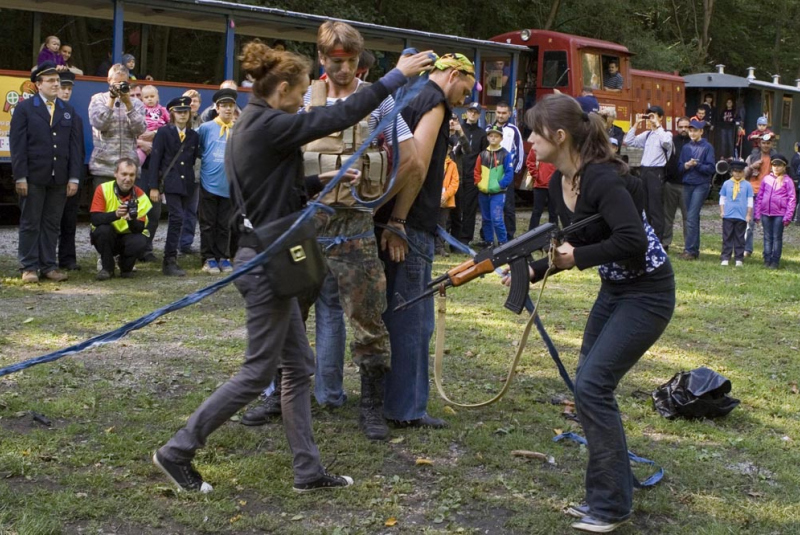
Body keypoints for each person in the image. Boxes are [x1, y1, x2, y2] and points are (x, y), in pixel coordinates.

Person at [151, 41, 433, 494]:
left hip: (267, 255)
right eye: (300, 94)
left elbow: (268, 190)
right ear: (282, 89)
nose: (304, 101)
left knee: (299, 365)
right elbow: (337, 117)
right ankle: (178, 450)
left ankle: (307, 471)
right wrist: (395, 77)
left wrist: (315, 182)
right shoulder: (270, 124)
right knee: (257, 372)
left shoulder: (256, 123)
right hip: (265, 264)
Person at [243, 22, 426, 442]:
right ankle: (277, 395)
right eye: (334, 60)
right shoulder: (303, 100)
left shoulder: (380, 105)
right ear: (321, 58)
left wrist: (377, 204)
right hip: (306, 227)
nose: (342, 69)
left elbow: (411, 161)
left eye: (349, 61)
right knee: (288, 313)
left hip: (355, 232)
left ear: (358, 59)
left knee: (368, 321)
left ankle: (370, 408)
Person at [518, 93, 674, 533]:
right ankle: (612, 489)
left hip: (649, 294)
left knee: (592, 386)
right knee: (588, 385)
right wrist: (531, 271)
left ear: (560, 136)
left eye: (535, 131)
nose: (529, 139)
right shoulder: (556, 184)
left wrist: (574, 259)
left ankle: (610, 506)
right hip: (615, 289)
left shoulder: (603, 179)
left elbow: (632, 241)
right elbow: (575, 243)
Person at [375, 52, 476, 429]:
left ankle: (392, 399)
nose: (466, 98)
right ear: (453, 75)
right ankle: (405, 409)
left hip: (391, 221)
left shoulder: (407, 94)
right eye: (467, 88)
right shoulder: (432, 101)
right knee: (413, 319)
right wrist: (398, 220)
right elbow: (414, 163)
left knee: (396, 314)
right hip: (408, 226)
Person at [10, 62, 82, 284]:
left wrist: (73, 177)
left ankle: (48, 265)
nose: (55, 84)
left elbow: (75, 148)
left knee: (52, 223)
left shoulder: (67, 111)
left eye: (57, 81)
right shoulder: (24, 108)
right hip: (33, 176)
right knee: (31, 221)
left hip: (59, 177)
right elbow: (18, 145)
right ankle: (29, 266)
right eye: (50, 81)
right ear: (38, 84)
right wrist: (20, 176)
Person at [145, 96, 200, 276]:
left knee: (181, 218)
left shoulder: (193, 136)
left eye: (186, 112)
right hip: (170, 182)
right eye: (179, 112)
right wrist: (154, 186)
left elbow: (191, 160)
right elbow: (156, 160)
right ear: (172, 114)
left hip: (186, 183)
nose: (183, 115)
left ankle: (172, 257)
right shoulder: (164, 133)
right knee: (176, 217)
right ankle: (169, 260)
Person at [90, 158, 152, 280]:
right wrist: (116, 214)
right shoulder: (103, 189)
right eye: (124, 174)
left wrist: (131, 219)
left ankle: (125, 266)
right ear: (115, 174)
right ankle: (107, 268)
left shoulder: (142, 196)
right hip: (108, 236)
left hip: (129, 237)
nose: (127, 179)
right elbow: (95, 219)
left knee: (140, 240)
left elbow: (139, 229)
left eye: (131, 175)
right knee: (103, 230)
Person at [196, 88, 237, 273]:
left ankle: (223, 256)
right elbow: (197, 148)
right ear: (217, 108)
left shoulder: (237, 130)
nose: (228, 109)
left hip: (228, 185)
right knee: (207, 223)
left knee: (224, 224)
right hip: (209, 184)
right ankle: (208, 258)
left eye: (231, 106)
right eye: (224, 106)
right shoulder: (206, 128)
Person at [88, 64, 147, 190]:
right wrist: (111, 100)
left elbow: (140, 130)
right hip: (104, 167)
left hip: (129, 170)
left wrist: (128, 104)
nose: (120, 86)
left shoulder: (136, 104)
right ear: (109, 81)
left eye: (123, 83)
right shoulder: (97, 99)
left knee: (128, 209)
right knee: (104, 209)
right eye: (116, 83)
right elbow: (99, 124)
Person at [623, 105, 673, 240]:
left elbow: (667, 143)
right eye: (649, 116)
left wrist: (658, 125)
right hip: (644, 170)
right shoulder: (647, 134)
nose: (650, 119)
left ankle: (658, 238)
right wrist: (637, 124)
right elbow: (628, 141)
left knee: (655, 207)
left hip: (656, 172)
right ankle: (647, 236)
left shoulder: (666, 134)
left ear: (661, 117)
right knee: (645, 205)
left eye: (654, 115)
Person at [55, 70, 86, 272]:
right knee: (48, 222)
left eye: (69, 89)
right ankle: (45, 258)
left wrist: (74, 177)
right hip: (49, 175)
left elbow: (77, 151)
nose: (66, 92)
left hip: (68, 176)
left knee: (68, 220)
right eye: (62, 88)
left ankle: (68, 258)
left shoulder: (74, 116)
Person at [678, 119, 716, 260]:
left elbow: (711, 168)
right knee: (691, 217)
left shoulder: (707, 147)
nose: (692, 133)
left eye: (695, 130)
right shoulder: (686, 148)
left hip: (701, 185)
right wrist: (687, 165)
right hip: (688, 184)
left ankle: (689, 251)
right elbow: (680, 167)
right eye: (690, 130)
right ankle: (693, 250)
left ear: (701, 131)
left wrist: (696, 165)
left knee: (692, 217)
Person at [754, 154, 796, 269]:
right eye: (774, 165)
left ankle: (775, 261)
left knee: (777, 237)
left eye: (779, 165)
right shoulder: (766, 179)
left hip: (780, 214)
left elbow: (792, 199)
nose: (776, 167)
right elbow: (760, 196)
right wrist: (757, 213)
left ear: (784, 167)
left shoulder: (788, 181)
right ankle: (767, 259)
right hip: (765, 213)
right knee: (767, 237)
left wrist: (788, 216)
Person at [474, 125, 514, 245]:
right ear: (487, 137)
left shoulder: (505, 155)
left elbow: (509, 173)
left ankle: (503, 242)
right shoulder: (482, 154)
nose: (493, 138)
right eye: (491, 136)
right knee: (486, 219)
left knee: (497, 219)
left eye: (496, 136)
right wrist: (479, 183)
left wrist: (500, 185)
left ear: (501, 138)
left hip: (498, 193)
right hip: (483, 192)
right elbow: (476, 171)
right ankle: (489, 242)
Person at [491, 101, 524, 239]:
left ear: (509, 114)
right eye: (498, 112)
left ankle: (510, 236)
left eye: (504, 113)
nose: (500, 115)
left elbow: (520, 151)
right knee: (490, 206)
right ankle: (487, 237)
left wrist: (514, 172)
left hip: (506, 175)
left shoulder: (513, 130)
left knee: (508, 207)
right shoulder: (489, 128)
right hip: (490, 174)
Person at [459, 101, 488, 245]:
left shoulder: (482, 134)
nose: (472, 114)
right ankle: (454, 236)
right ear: (466, 112)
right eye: (470, 111)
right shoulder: (460, 129)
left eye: (475, 112)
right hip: (458, 173)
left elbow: (484, 155)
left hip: (473, 175)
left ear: (478, 115)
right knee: (456, 207)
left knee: (470, 208)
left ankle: (465, 238)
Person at [179, 89, 203, 255]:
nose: (192, 104)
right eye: (189, 100)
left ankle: (186, 244)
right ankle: (174, 244)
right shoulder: (179, 122)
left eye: (195, 101)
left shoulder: (204, 123)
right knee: (177, 211)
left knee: (191, 211)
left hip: (196, 173)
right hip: (180, 174)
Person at [744, 133, 776, 256]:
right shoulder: (752, 157)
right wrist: (752, 167)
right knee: (749, 222)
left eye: (768, 143)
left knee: (767, 224)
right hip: (752, 191)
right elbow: (743, 174)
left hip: (769, 194)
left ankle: (768, 251)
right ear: (759, 143)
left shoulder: (776, 158)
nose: (766, 145)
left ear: (772, 144)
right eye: (763, 143)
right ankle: (747, 249)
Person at [662, 117, 690, 253]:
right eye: (681, 127)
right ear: (677, 127)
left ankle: (688, 246)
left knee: (688, 218)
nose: (683, 129)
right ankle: (665, 243)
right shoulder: (671, 141)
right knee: (667, 216)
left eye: (686, 127)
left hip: (687, 185)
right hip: (671, 183)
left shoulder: (695, 143)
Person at [718, 160, 753, 266]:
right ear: (731, 172)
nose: (737, 174)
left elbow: (750, 200)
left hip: (741, 215)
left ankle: (739, 258)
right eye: (735, 171)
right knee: (727, 236)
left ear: (743, 172)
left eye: (740, 171)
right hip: (728, 214)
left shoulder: (747, 185)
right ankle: (725, 257)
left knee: (740, 237)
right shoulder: (727, 183)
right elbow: (722, 198)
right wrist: (722, 211)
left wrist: (748, 214)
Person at [526, 146, 557, 230]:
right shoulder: (537, 145)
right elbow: (530, 160)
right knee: (537, 211)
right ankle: (532, 234)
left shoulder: (559, 145)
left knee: (554, 212)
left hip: (554, 185)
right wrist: (536, 175)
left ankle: (554, 236)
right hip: (540, 185)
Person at [137, 85, 170, 164]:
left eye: (152, 96)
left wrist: (157, 131)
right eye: (146, 97)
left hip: (158, 135)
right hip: (143, 135)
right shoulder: (140, 109)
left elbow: (170, 122)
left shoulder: (163, 110)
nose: (150, 99)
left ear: (157, 97)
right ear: (142, 99)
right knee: (139, 156)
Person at [435, 153, 460, 255]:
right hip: (433, 198)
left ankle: (439, 247)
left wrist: (446, 195)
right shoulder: (434, 161)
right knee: (430, 222)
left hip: (446, 200)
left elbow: (455, 183)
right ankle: (430, 246)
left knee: (442, 224)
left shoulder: (453, 165)